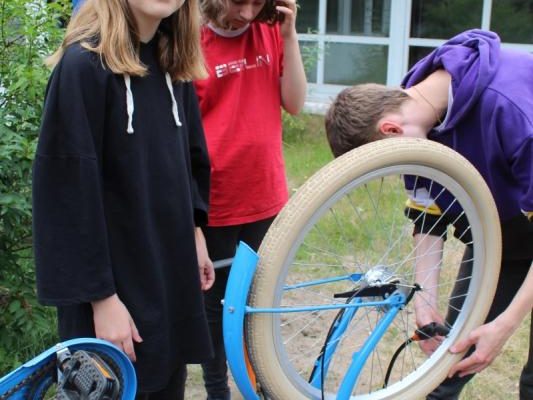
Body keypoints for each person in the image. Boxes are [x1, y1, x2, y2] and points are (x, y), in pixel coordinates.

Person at [324, 29, 532, 399]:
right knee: (445, 366)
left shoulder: (510, 108)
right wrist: (425, 303)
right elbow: (428, 216)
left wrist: (505, 324)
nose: (398, 173)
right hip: (503, 236)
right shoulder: (416, 120)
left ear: (390, 129)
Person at [32, 0, 215, 398]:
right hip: (111, 295)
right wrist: (102, 299)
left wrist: (195, 230)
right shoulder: (83, 66)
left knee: (167, 384)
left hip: (166, 276)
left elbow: (188, 160)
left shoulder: (171, 61)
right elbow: (66, 195)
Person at [193, 0, 307, 398]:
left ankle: (263, 383)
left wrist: (290, 36)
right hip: (216, 198)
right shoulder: (192, 39)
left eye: (257, 2)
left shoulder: (270, 28)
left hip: (265, 192)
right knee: (216, 302)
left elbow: (295, 103)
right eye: (238, 2)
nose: (246, 13)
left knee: (261, 299)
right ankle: (216, 389)